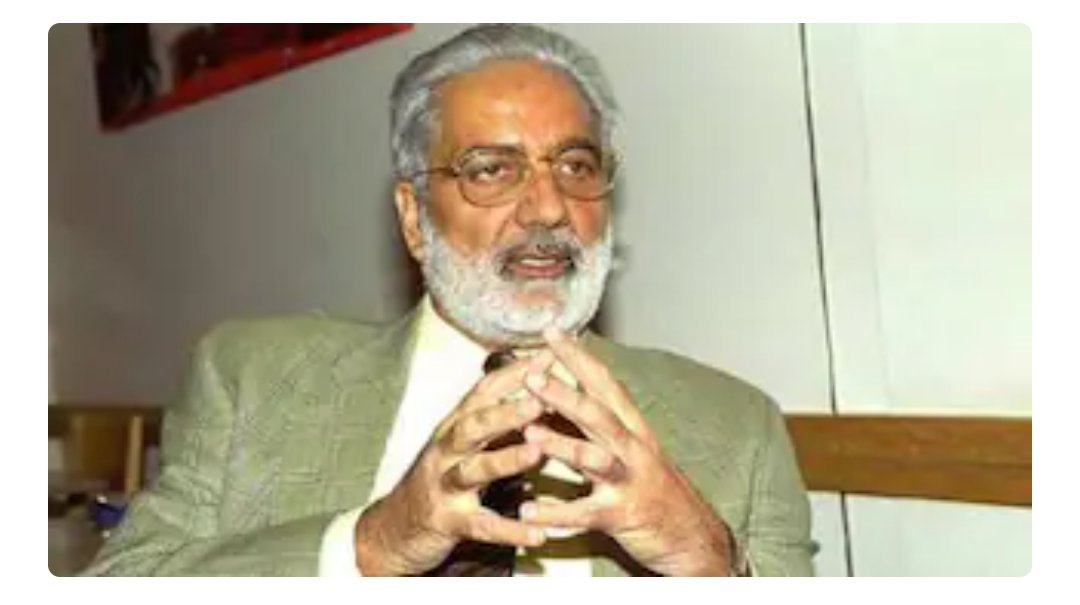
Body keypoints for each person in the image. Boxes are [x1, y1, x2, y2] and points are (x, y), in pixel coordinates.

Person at [83, 24, 812, 577]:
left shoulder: (736, 427)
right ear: (413, 216)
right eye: (491, 169)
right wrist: (373, 543)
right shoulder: (252, 377)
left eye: (575, 165)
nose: (548, 207)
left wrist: (712, 565)